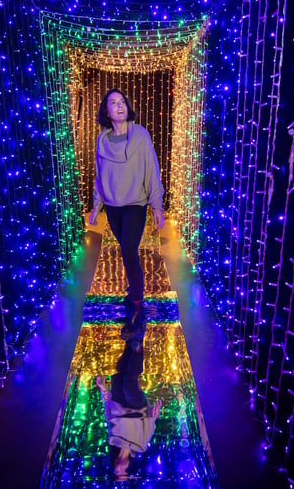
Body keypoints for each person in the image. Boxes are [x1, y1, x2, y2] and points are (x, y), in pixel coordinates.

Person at [88, 88, 165, 342]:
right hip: (113, 206)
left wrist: (157, 206)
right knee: (125, 249)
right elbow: (100, 176)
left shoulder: (140, 136)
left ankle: (137, 308)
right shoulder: (102, 140)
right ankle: (135, 287)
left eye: (122, 101)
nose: (119, 105)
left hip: (135, 204)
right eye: (113, 102)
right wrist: (96, 205)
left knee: (129, 251)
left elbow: (152, 170)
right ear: (106, 111)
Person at [96, 341, 162, 481]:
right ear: (129, 467)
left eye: (117, 473)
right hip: (137, 408)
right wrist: (153, 415)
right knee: (129, 383)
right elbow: (150, 424)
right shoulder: (140, 446)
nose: (118, 470)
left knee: (120, 371)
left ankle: (131, 340)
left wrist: (103, 389)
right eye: (123, 473)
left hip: (117, 403)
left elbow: (108, 416)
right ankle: (138, 347)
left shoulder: (113, 441)